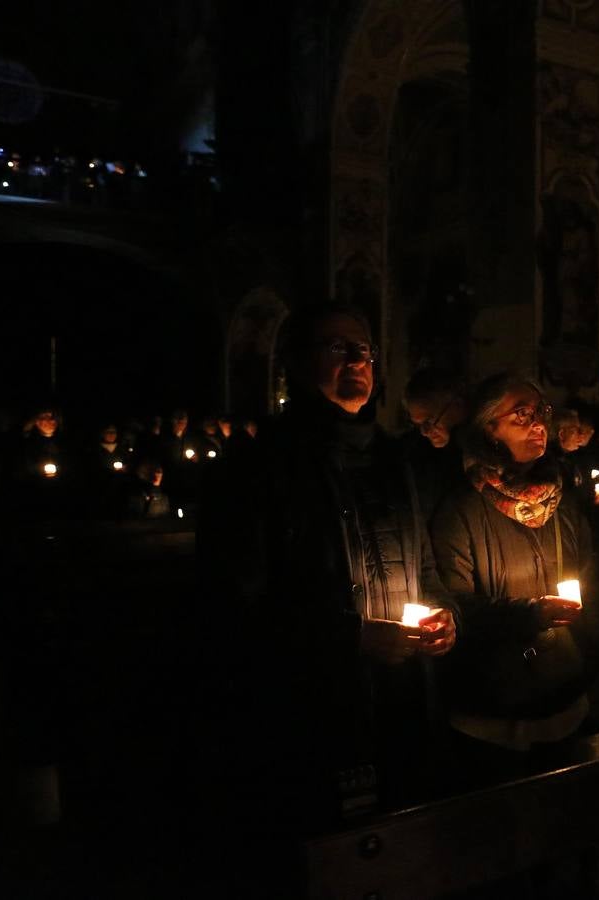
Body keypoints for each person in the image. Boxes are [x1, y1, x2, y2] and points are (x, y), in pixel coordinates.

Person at [199, 302, 457, 827]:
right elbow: (236, 600)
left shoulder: (392, 458)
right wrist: (352, 637)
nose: (356, 360)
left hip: (401, 697)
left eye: (364, 350)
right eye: (338, 347)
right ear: (296, 362)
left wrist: (446, 614)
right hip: (316, 701)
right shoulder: (263, 464)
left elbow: (425, 566)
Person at [429, 373, 591, 762]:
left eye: (541, 412)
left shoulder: (563, 501)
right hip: (491, 708)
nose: (538, 424)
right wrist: (530, 615)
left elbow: (589, 570)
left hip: (563, 697)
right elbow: (455, 603)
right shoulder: (462, 508)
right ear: (490, 429)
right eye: (521, 415)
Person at [403, 368, 469, 523]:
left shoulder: (485, 455)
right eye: (417, 425)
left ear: (458, 405)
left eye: (429, 421)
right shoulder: (415, 458)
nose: (424, 432)